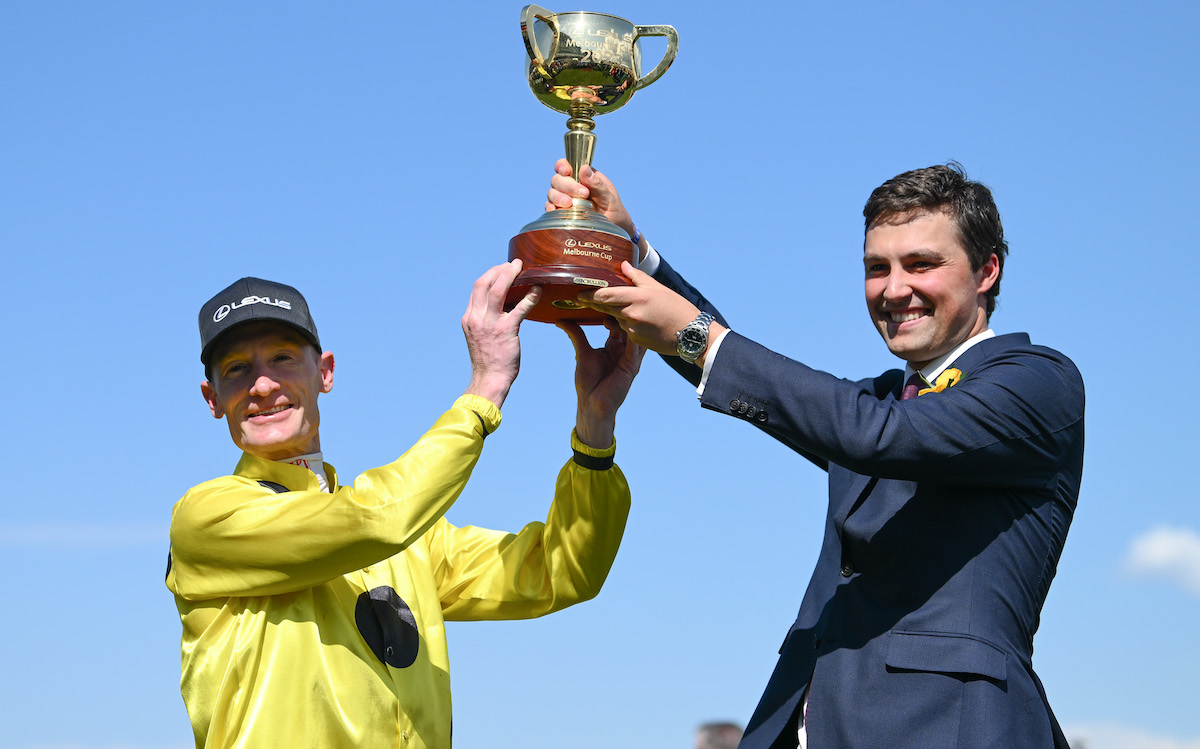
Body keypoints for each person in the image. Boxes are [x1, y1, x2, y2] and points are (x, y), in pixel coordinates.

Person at [547, 161, 1084, 748]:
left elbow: (875, 434)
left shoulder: (1037, 382)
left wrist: (699, 337)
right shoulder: (882, 403)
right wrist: (631, 252)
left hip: (947, 726)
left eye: (922, 264)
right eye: (877, 268)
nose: (894, 288)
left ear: (987, 271)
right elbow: (778, 390)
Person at [165, 260, 643, 748]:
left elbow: (562, 572)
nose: (262, 385)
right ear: (213, 398)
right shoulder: (207, 517)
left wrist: (594, 429)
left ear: (325, 372)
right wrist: (485, 390)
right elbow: (376, 520)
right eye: (237, 369)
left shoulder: (411, 538)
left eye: (283, 358)